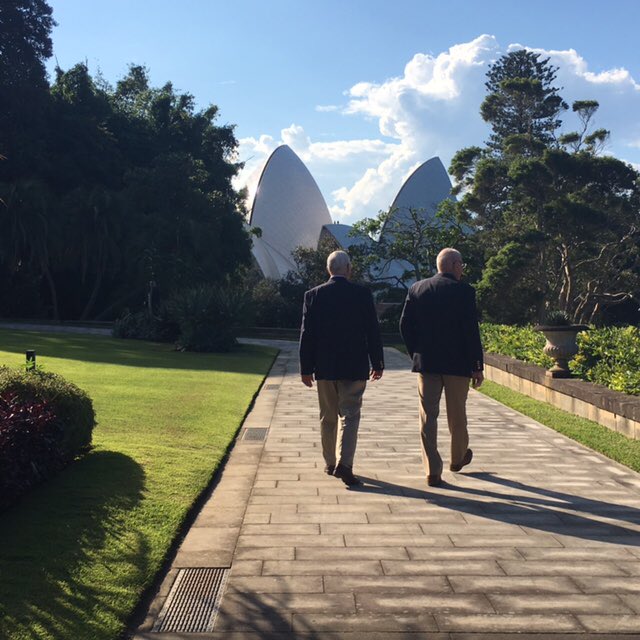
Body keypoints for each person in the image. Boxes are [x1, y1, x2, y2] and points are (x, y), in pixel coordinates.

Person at [399, 248, 484, 487]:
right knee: (457, 415)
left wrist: (415, 352)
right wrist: (477, 366)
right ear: (455, 265)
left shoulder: (417, 289)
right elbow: (470, 331)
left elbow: (405, 325)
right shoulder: (464, 291)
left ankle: (432, 470)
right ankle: (457, 458)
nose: (463, 269)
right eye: (462, 265)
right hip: (458, 364)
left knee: (428, 416)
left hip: (427, 363)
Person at [299, 250, 384, 486]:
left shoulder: (313, 295)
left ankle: (329, 462)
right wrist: (377, 362)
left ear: (329, 270)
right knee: (350, 414)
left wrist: (305, 368)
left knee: (327, 415)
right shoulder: (362, 294)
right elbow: (372, 331)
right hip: (354, 365)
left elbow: (307, 334)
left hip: (324, 366)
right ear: (348, 269)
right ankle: (344, 463)